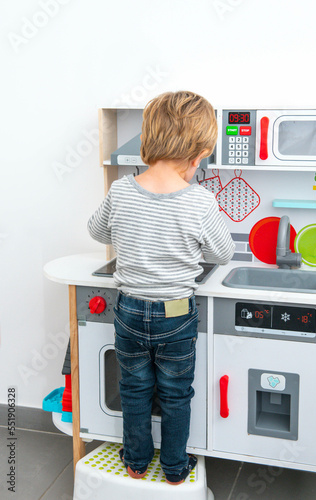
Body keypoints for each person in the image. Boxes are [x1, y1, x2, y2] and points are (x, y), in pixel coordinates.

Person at [87, 90, 235, 485]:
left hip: (130, 310)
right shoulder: (200, 201)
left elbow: (96, 230)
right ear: (200, 151)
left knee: (134, 389)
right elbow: (222, 253)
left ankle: (135, 463)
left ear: (148, 139)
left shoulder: (121, 190)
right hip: (174, 314)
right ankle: (173, 469)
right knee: (174, 394)